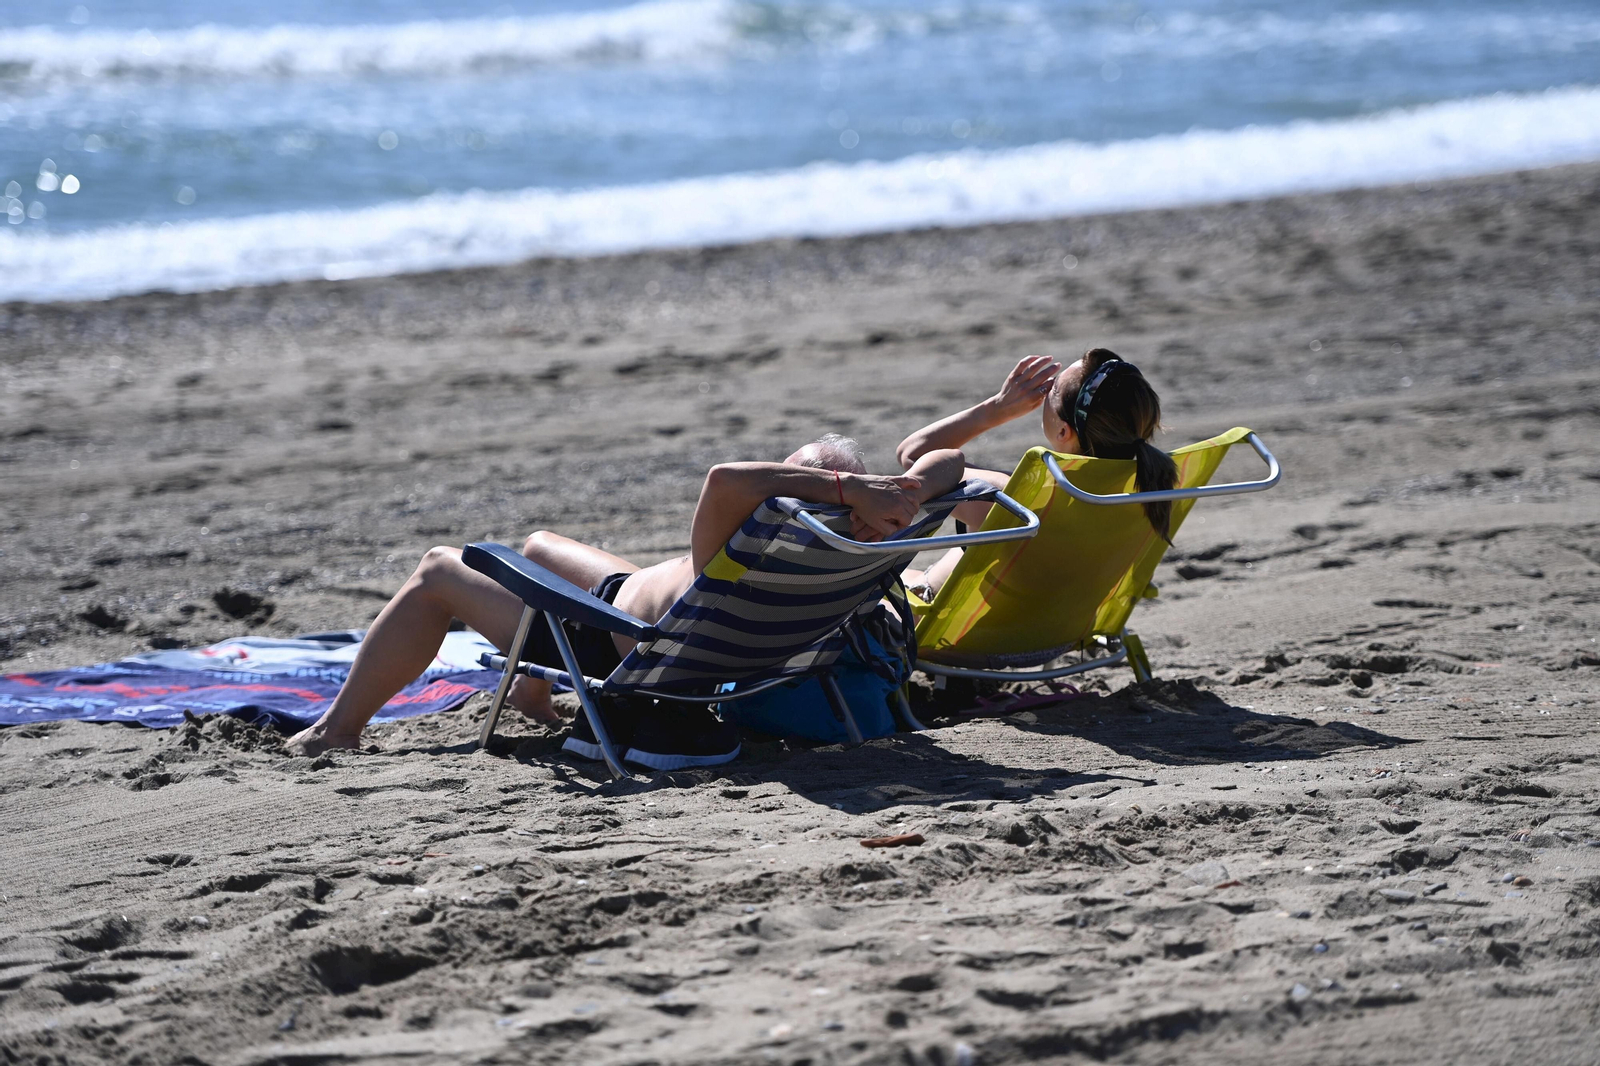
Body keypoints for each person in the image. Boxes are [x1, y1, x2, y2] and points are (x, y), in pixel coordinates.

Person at [284, 436, 964, 764]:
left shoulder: (748, 534)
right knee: (541, 543)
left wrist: (844, 489)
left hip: (610, 635)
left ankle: (337, 729)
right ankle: (534, 694)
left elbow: (725, 477)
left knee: (438, 569)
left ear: (799, 492)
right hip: (676, 614)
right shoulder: (870, 538)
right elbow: (952, 463)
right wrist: (893, 489)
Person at [895, 347, 1175, 599]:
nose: (1048, 389)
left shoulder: (1015, 499)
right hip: (1059, 629)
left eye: (1053, 391)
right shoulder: (1141, 493)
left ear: (1063, 431)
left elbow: (914, 457)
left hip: (934, 625)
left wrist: (996, 409)